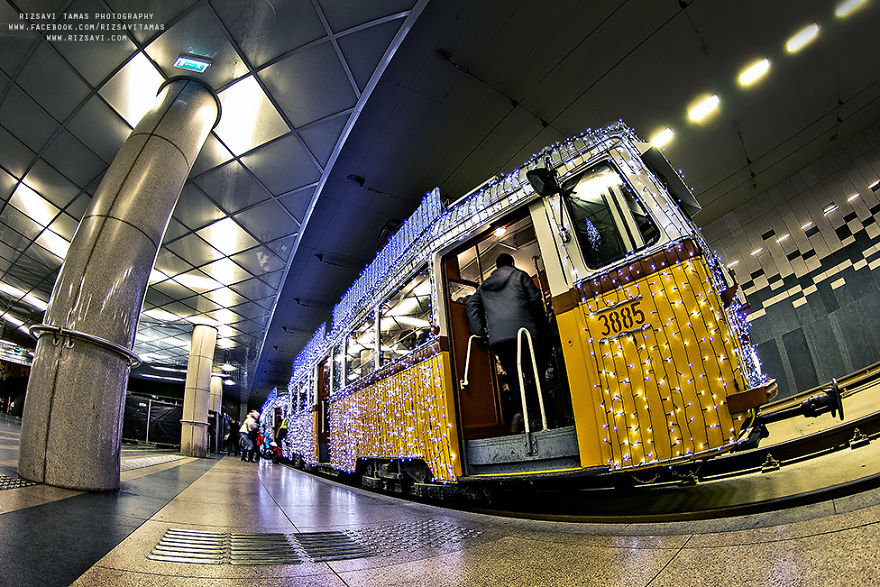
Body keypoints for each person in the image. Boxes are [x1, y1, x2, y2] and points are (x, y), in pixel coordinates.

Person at [466, 253, 546, 432]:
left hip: (499, 339)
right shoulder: (520, 275)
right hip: (525, 334)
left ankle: (521, 413)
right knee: (534, 372)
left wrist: (480, 332)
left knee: (514, 377)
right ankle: (542, 414)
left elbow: (472, 305)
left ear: (496, 267)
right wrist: (541, 327)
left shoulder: (484, 286)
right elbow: (535, 300)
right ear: (512, 263)